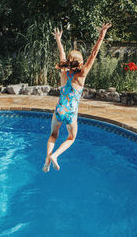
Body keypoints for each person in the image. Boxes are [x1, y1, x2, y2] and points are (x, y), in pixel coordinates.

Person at [42, 23, 112, 172]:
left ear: (68, 61)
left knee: (53, 135)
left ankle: (48, 158)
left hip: (59, 109)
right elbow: (93, 53)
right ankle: (55, 155)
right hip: (71, 113)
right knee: (71, 138)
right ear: (80, 62)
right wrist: (101, 36)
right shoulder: (83, 73)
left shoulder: (63, 70)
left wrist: (58, 40)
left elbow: (61, 54)